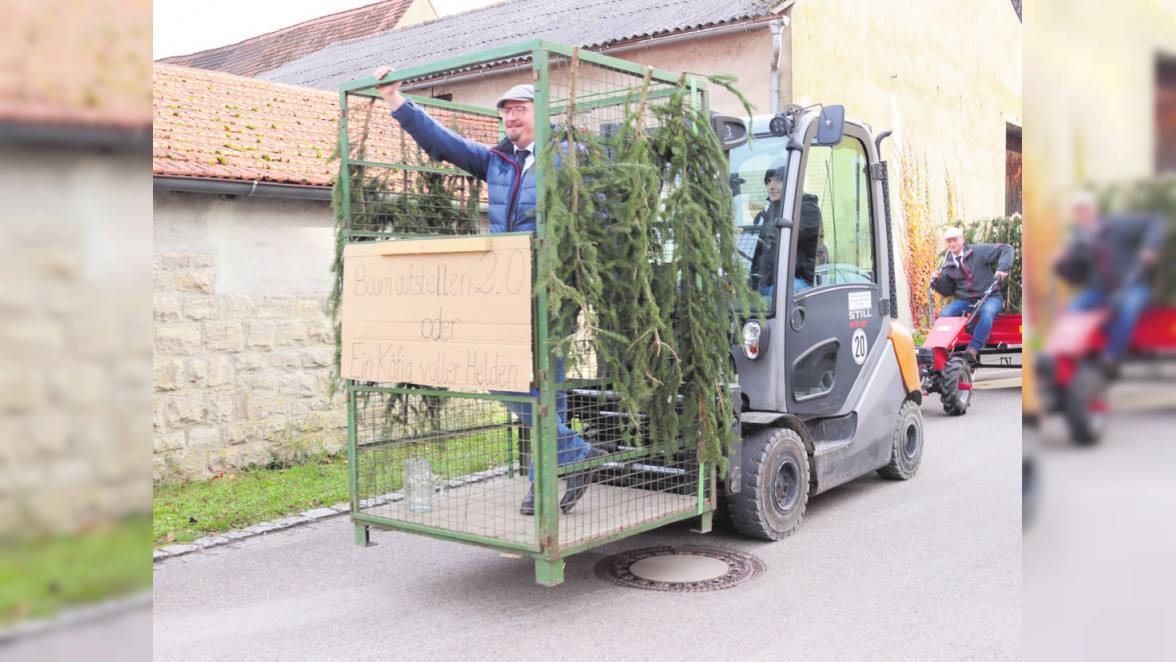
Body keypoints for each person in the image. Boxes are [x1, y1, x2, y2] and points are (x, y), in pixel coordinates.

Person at [371, 67, 604, 515]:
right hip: (509, 290)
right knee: (500, 375)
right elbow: (445, 144)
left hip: (554, 288)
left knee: (548, 386)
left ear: (541, 113)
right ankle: (575, 452)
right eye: (505, 112)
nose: (510, 118)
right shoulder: (499, 161)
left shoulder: (569, 155)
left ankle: (545, 483)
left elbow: (598, 211)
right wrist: (398, 102)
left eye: (519, 109)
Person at [1054, 191, 1165, 375]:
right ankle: (1071, 356)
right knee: (1074, 308)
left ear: (1095, 209)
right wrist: (1062, 264)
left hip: (1132, 286)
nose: (1082, 214)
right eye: (1078, 211)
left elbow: (1155, 221)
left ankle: (1111, 357)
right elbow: (1076, 276)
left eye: (1085, 209)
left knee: (1127, 307)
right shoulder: (1079, 239)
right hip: (1101, 291)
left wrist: (1150, 247)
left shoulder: (1117, 225)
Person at [931, 226, 1014, 364]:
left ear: (962, 240)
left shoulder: (978, 251)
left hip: (990, 297)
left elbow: (1006, 248)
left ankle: (973, 349)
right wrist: (936, 282)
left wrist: (1002, 269)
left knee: (987, 312)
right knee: (945, 315)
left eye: (955, 240)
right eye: (948, 242)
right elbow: (948, 291)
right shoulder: (947, 264)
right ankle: (980, 332)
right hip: (967, 301)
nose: (952, 244)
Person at [749, 166, 822, 295]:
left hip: (796, 281)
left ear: (790, 183)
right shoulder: (771, 210)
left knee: (779, 293)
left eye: (777, 181)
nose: (771, 187)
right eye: (768, 181)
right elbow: (760, 250)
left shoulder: (807, 209)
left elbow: (782, 236)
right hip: (766, 280)